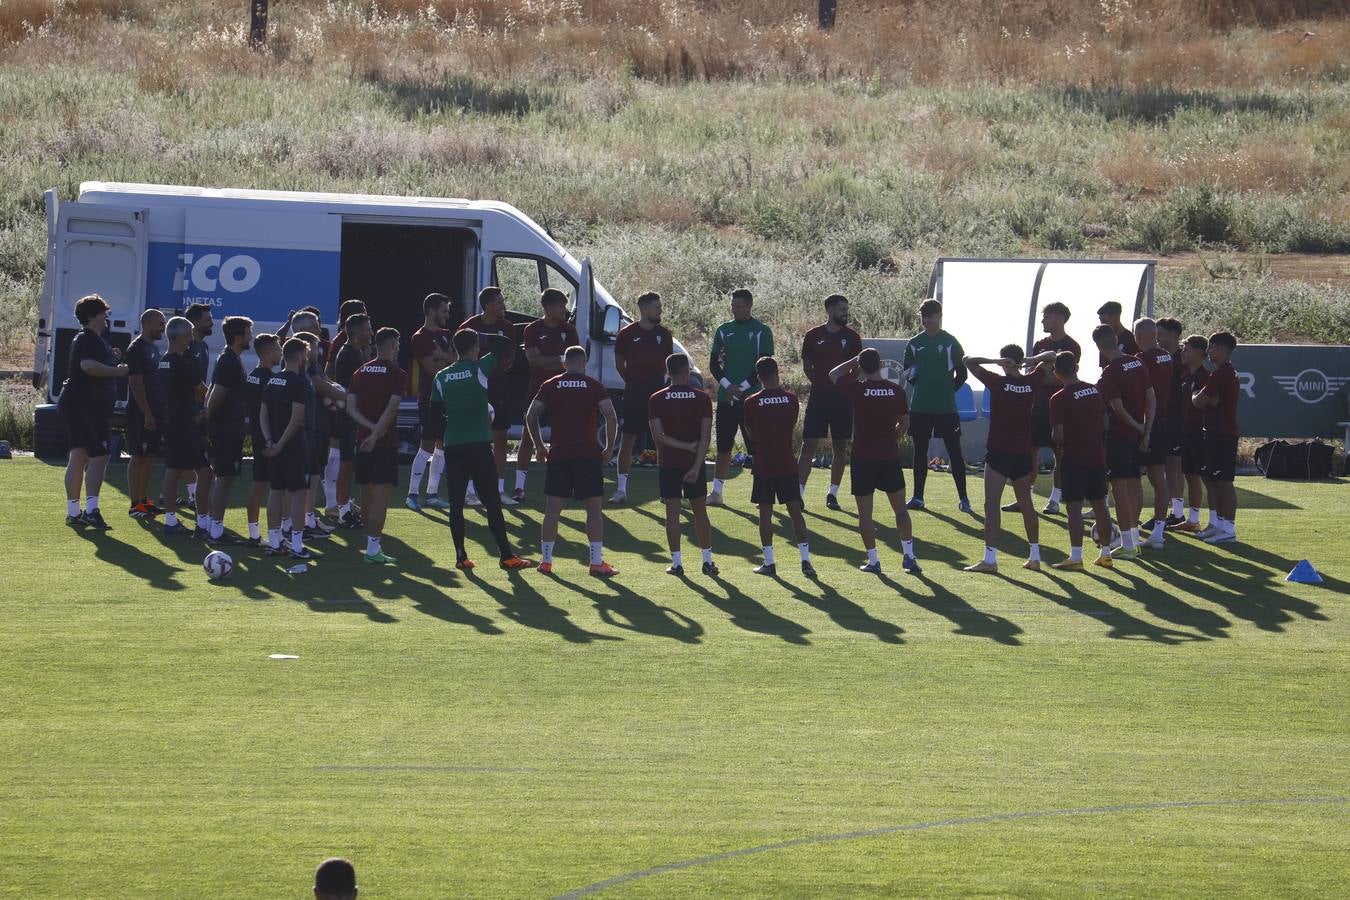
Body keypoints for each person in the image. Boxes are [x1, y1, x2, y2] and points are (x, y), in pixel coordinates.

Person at [431, 328, 536, 570]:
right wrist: (483, 334)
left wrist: (444, 434)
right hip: (478, 445)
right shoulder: (479, 368)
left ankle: (461, 557)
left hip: (453, 446)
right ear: (475, 347)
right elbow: (507, 344)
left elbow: (434, 416)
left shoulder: (441, 377)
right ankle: (506, 555)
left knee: (456, 504)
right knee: (491, 502)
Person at [526, 345, 620, 577]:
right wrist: (608, 446)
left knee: (552, 511)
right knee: (594, 511)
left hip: (559, 455)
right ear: (585, 363)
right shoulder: (594, 386)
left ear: (564, 363)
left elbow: (530, 415)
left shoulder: (551, 385)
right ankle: (596, 562)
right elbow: (610, 416)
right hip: (587, 456)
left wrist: (539, 445)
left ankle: (546, 561)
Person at [829, 348, 921, 575]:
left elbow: (834, 373)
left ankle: (873, 560)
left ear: (861, 367)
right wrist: (892, 437)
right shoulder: (896, 390)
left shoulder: (857, 389)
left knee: (865, 515)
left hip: (863, 459)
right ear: (881, 365)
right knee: (900, 511)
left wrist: (854, 360)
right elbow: (904, 424)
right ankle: (909, 557)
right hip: (889, 457)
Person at [963, 346, 1054, 573]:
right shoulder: (1031, 381)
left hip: (999, 451)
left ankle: (990, 560)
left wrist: (995, 360)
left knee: (991, 505)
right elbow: (1052, 356)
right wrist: (1027, 360)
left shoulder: (998, 382)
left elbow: (968, 360)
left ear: (1005, 362)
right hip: (1022, 453)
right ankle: (1034, 557)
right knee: (1026, 504)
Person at [1005, 301, 1081, 515]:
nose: (1042, 321)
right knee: (1030, 451)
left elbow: (1061, 379)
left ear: (1059, 318)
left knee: (1061, 453)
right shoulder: (1040, 344)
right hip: (1037, 407)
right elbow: (1035, 375)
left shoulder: (1072, 346)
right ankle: (1024, 498)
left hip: (1061, 408)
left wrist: (1040, 377)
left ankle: (1055, 500)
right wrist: (1040, 377)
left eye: (1046, 317)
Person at [59, 294, 127, 529]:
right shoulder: (88, 338)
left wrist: (111, 358)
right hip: (85, 405)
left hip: (79, 404)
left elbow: (94, 361)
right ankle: (92, 510)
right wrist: (116, 371)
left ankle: (73, 512)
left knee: (79, 455)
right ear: (92, 316)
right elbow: (87, 366)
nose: (106, 316)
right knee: (100, 456)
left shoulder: (92, 339)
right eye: (103, 313)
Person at [743, 357, 814, 577]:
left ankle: (770, 563)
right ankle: (805, 561)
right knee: (795, 512)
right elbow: (790, 426)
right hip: (787, 462)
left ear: (758, 377)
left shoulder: (751, 402)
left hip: (764, 463)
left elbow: (751, 434)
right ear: (777, 372)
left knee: (765, 514)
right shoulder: (791, 400)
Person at [649, 353, 717, 576]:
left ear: (668, 373)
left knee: (672, 514)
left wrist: (681, 446)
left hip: (669, 463)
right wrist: (697, 464)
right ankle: (707, 561)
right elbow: (705, 437)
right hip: (693, 463)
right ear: (687, 372)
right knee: (700, 513)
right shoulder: (702, 398)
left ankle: (677, 564)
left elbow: (658, 437)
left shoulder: (656, 399)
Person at [902, 298, 971, 513]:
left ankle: (964, 499)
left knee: (954, 452)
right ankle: (918, 497)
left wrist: (947, 390)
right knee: (919, 451)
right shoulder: (914, 342)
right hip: (920, 407)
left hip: (946, 408)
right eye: (923, 315)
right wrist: (922, 386)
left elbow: (962, 373)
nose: (925, 319)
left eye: (929, 315)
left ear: (939, 316)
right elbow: (908, 371)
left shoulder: (950, 341)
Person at [1047, 352, 1115, 570]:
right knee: (1100, 506)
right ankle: (1106, 554)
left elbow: (1058, 436)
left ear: (1056, 372)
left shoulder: (1058, 398)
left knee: (1074, 509)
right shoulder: (1094, 390)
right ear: (1076, 367)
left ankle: (1076, 557)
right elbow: (1105, 423)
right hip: (1097, 456)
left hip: (1074, 458)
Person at [707, 288, 774, 506]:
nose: (734, 310)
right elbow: (714, 363)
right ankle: (716, 493)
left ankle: (761, 494)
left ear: (749, 306)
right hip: (727, 397)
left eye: (739, 306)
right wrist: (729, 386)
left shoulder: (762, 331)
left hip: (753, 399)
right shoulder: (723, 330)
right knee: (724, 446)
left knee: (757, 447)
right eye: (732, 306)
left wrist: (743, 387)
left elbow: (763, 365)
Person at [513, 288, 579, 503]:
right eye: (561, 306)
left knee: (566, 437)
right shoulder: (533, 329)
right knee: (527, 436)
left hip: (565, 389)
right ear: (549, 307)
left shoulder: (569, 330)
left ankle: (567, 484)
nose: (564, 310)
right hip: (538, 389)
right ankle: (519, 488)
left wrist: (551, 359)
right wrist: (560, 359)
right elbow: (534, 360)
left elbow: (574, 363)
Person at [1095, 323, 1154, 561]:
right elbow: (1151, 396)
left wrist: (1140, 428)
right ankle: (1133, 539)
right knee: (1133, 486)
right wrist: (1146, 430)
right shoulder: (1137, 362)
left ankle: (1129, 544)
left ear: (1098, 346)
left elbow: (1118, 411)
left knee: (1121, 491)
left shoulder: (1109, 373)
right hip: (1138, 434)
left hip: (1120, 436)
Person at [797, 294, 862, 511]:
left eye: (846, 308)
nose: (845, 313)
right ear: (830, 310)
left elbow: (857, 367)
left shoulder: (852, 337)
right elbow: (807, 366)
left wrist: (845, 384)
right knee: (808, 446)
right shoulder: (813, 335)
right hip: (818, 399)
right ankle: (798, 494)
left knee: (840, 446)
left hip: (842, 400)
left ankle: (832, 494)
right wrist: (819, 383)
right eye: (842, 309)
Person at [346, 327, 405, 565]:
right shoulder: (396, 373)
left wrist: (369, 431)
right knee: (381, 497)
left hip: (362, 441)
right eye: (398, 345)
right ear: (392, 345)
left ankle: (369, 547)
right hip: (383, 443)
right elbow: (391, 409)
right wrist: (377, 433)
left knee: (366, 494)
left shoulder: (360, 372)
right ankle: (373, 549)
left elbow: (350, 409)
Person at [609, 291, 673, 504]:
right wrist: (633, 383)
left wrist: (662, 386)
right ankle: (621, 490)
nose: (660, 310)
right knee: (627, 441)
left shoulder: (664, 334)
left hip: (659, 397)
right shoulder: (627, 334)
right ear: (644, 309)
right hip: (634, 395)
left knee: (662, 441)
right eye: (656, 307)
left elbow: (669, 365)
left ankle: (667, 490)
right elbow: (619, 364)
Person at [460, 286, 519, 506]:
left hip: (499, 386)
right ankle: (470, 491)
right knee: (473, 439)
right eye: (499, 301)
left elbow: (510, 358)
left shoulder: (507, 327)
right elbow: (460, 356)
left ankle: (498, 490)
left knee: (500, 438)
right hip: (473, 388)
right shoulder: (469, 327)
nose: (503, 304)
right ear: (487, 305)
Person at [292, 314, 347, 540]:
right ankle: (299, 524)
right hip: (309, 427)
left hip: (317, 424)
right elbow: (320, 385)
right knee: (307, 477)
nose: (320, 329)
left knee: (314, 474)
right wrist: (347, 397)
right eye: (315, 327)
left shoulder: (311, 362)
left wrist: (336, 392)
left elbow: (325, 381)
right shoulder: (304, 363)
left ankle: (308, 520)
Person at [261, 337, 316, 560]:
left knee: (275, 491)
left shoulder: (273, 380)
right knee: (298, 494)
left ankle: (275, 542)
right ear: (301, 356)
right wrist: (281, 444)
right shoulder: (298, 383)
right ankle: (296, 546)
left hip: (274, 444)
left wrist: (269, 442)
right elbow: (296, 419)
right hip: (292, 446)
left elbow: (262, 413)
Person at [204, 315, 254, 546]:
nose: (250, 336)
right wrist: (209, 418)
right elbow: (215, 396)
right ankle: (215, 531)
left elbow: (210, 390)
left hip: (227, 428)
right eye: (248, 332)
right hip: (225, 429)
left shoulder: (229, 358)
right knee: (223, 479)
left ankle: (214, 527)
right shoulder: (229, 361)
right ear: (238, 336)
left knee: (223, 478)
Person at [158, 316, 210, 538]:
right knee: (205, 473)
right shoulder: (182, 364)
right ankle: (202, 522)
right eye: (188, 335)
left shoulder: (163, 361)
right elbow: (202, 390)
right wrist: (211, 406)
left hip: (171, 422)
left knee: (174, 471)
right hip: (185, 424)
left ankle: (173, 520)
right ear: (179, 337)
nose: (190, 339)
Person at [407, 293, 455, 511]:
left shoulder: (447, 334)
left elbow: (458, 361)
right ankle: (412, 494)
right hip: (430, 400)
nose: (447, 314)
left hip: (448, 401)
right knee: (426, 446)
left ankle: (432, 494)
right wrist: (447, 359)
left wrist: (442, 356)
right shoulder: (420, 337)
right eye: (444, 310)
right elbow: (433, 370)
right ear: (432, 311)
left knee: (442, 447)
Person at [1193, 331, 1241, 544]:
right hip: (1214, 433)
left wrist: (1198, 397)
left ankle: (1228, 529)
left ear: (1222, 349)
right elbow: (1207, 400)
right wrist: (1206, 399)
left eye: (1212, 347)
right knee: (1213, 479)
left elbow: (1198, 401)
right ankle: (1218, 524)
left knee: (1224, 482)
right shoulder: (1221, 373)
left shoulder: (1222, 374)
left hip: (1223, 434)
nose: (1208, 351)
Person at [1133, 316, 1174, 549]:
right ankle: (1157, 530)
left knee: (1133, 478)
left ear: (1138, 336)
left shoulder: (1141, 360)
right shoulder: (1165, 356)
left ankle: (1132, 528)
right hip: (1162, 420)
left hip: (1147, 422)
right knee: (1159, 478)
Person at [329, 312, 373, 529]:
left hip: (351, 417)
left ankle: (344, 508)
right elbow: (356, 391)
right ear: (356, 333)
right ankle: (343, 512)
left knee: (348, 465)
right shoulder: (349, 355)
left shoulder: (355, 352)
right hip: (348, 418)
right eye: (367, 329)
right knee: (346, 466)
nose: (371, 333)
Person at [125, 308, 166, 520]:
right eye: (160, 324)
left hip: (155, 412)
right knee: (138, 456)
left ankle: (144, 501)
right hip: (141, 413)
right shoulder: (137, 348)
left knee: (149, 457)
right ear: (149, 324)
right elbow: (135, 383)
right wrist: (147, 413)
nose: (163, 328)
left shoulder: (153, 349)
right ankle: (135, 505)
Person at [244, 333, 282, 546]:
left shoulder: (253, 375)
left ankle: (254, 534)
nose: (281, 352)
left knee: (258, 484)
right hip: (268, 438)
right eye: (278, 348)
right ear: (268, 352)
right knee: (275, 488)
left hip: (257, 436)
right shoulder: (268, 378)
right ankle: (278, 535)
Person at [1171, 334, 1210, 534]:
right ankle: (1192, 520)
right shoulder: (1186, 375)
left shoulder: (1205, 377)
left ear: (1198, 353)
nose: (1183, 353)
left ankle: (1217, 523)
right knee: (1190, 475)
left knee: (1204, 477)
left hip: (1200, 434)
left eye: (1186, 349)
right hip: (1186, 432)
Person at [1156, 317, 1189, 529]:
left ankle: (1178, 513)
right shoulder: (1164, 357)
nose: (1158, 338)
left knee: (1175, 466)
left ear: (1174, 336)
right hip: (1166, 418)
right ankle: (1174, 512)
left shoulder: (1181, 359)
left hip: (1177, 418)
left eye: (1161, 334)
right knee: (1169, 465)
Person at [181, 302, 214, 512]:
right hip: (187, 409)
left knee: (196, 455)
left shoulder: (204, 346)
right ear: (195, 323)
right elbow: (189, 381)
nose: (212, 323)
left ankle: (193, 495)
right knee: (185, 456)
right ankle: (192, 495)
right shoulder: (189, 347)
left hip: (199, 408)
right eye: (208, 320)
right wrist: (209, 400)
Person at [1096, 300, 1140, 367]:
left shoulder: (1131, 339)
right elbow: (1104, 367)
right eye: (1100, 321)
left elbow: (1137, 366)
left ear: (1116, 317)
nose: (1102, 324)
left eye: (1105, 321)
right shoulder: (1104, 340)